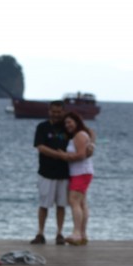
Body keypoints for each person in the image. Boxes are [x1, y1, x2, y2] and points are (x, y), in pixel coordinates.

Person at [39, 111, 94, 246]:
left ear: (77, 121)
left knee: (74, 201)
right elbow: (90, 137)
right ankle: (82, 234)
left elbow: (81, 155)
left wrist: (64, 156)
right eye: (66, 123)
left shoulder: (80, 135)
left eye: (70, 122)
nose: (67, 125)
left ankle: (76, 233)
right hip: (81, 172)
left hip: (80, 172)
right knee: (81, 203)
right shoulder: (80, 134)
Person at [31, 101, 69, 245]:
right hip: (46, 172)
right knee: (43, 204)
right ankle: (40, 233)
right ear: (49, 111)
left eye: (59, 112)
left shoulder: (68, 127)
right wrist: (60, 155)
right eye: (54, 111)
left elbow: (86, 132)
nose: (56, 114)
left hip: (64, 172)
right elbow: (40, 147)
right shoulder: (42, 127)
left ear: (64, 112)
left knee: (61, 205)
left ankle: (59, 233)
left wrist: (91, 144)